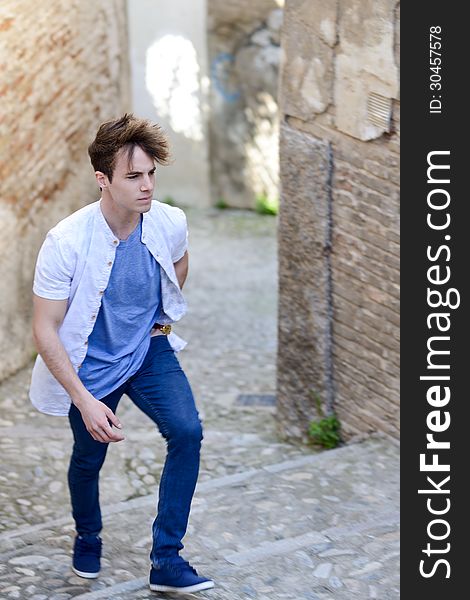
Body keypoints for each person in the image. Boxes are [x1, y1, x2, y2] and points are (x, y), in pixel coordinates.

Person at [29, 113, 214, 594]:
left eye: (151, 173)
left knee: (187, 431)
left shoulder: (169, 221)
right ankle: (88, 535)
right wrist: (85, 400)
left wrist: (159, 321)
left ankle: (167, 560)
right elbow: (45, 329)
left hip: (148, 350)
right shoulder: (65, 242)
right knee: (88, 460)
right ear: (103, 180)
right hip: (89, 366)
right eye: (133, 176)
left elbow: (179, 262)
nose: (147, 186)